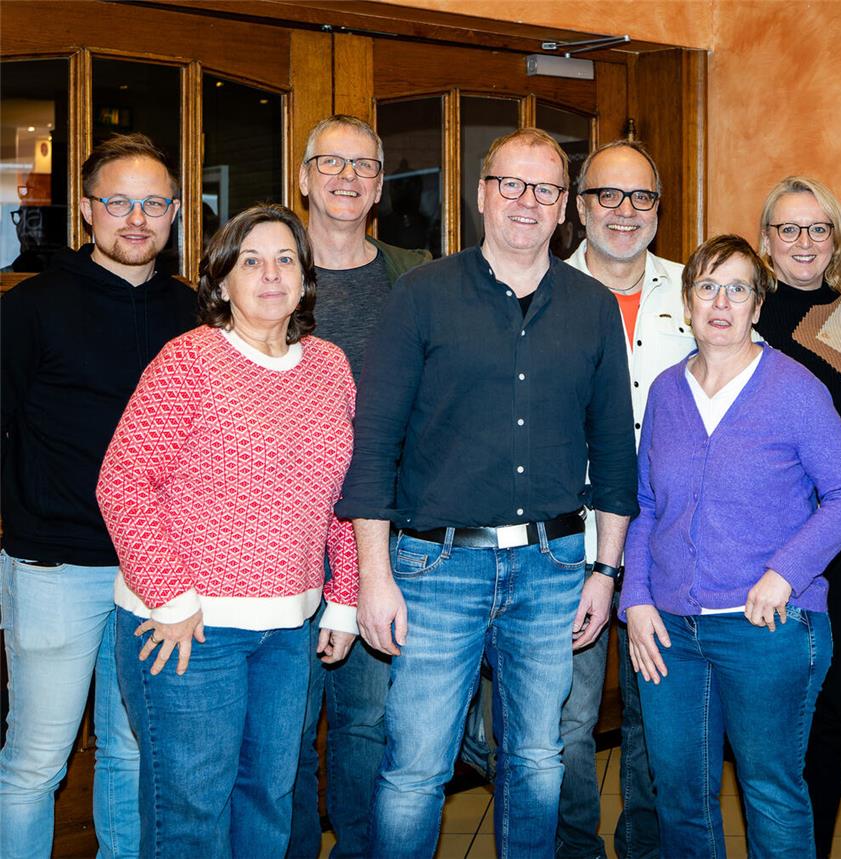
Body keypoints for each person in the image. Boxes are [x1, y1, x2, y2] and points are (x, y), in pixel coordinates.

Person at [337, 127, 637, 858]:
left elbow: (615, 453)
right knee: (414, 769)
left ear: (565, 205)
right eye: (511, 184)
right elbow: (374, 446)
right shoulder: (420, 297)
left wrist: (605, 571)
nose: (526, 201)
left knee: (536, 760)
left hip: (555, 569)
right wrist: (372, 577)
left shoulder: (594, 306)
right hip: (436, 571)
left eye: (544, 188)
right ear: (480, 194)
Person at [96, 204, 360, 858]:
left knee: (268, 803)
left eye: (285, 260)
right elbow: (122, 481)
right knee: (192, 817)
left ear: (304, 279)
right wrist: (175, 597)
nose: (270, 275)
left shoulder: (330, 366)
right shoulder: (190, 360)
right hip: (190, 628)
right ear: (220, 282)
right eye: (251, 260)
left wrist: (346, 598)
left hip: (289, 630)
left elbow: (342, 497)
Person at [621, 234, 841, 857]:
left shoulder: (794, 388)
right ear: (687, 303)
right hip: (670, 634)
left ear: (758, 305)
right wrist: (637, 600)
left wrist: (785, 571)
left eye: (738, 288)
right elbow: (649, 504)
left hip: (769, 628)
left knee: (770, 792)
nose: (722, 302)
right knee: (680, 795)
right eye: (708, 286)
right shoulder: (666, 394)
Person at [0, 133, 195, 859]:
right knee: (35, 762)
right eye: (118, 202)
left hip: (158, 580)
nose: (136, 218)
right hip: (57, 569)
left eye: (153, 203)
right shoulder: (32, 310)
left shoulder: (193, 313)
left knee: (133, 755)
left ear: (175, 212)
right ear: (87, 210)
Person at [288, 114, 429, 859]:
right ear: (304, 176)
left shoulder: (414, 269)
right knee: (284, 723)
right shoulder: (268, 264)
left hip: (383, 534)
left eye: (364, 165)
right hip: (280, 536)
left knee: (367, 720)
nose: (347, 178)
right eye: (331, 163)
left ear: (380, 184)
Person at [555, 138, 693, 859]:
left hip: (668, 546)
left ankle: (645, 846)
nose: (624, 211)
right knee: (568, 722)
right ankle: (574, 847)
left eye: (641, 197)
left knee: (655, 718)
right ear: (580, 206)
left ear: (658, 211)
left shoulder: (697, 290)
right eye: (607, 195)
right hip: (567, 546)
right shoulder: (543, 288)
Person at [754, 175, 841, 856]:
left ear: (834, 239)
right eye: (789, 229)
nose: (804, 242)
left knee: (830, 706)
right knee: (764, 710)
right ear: (766, 242)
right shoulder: (741, 316)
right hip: (756, 549)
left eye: (818, 228)